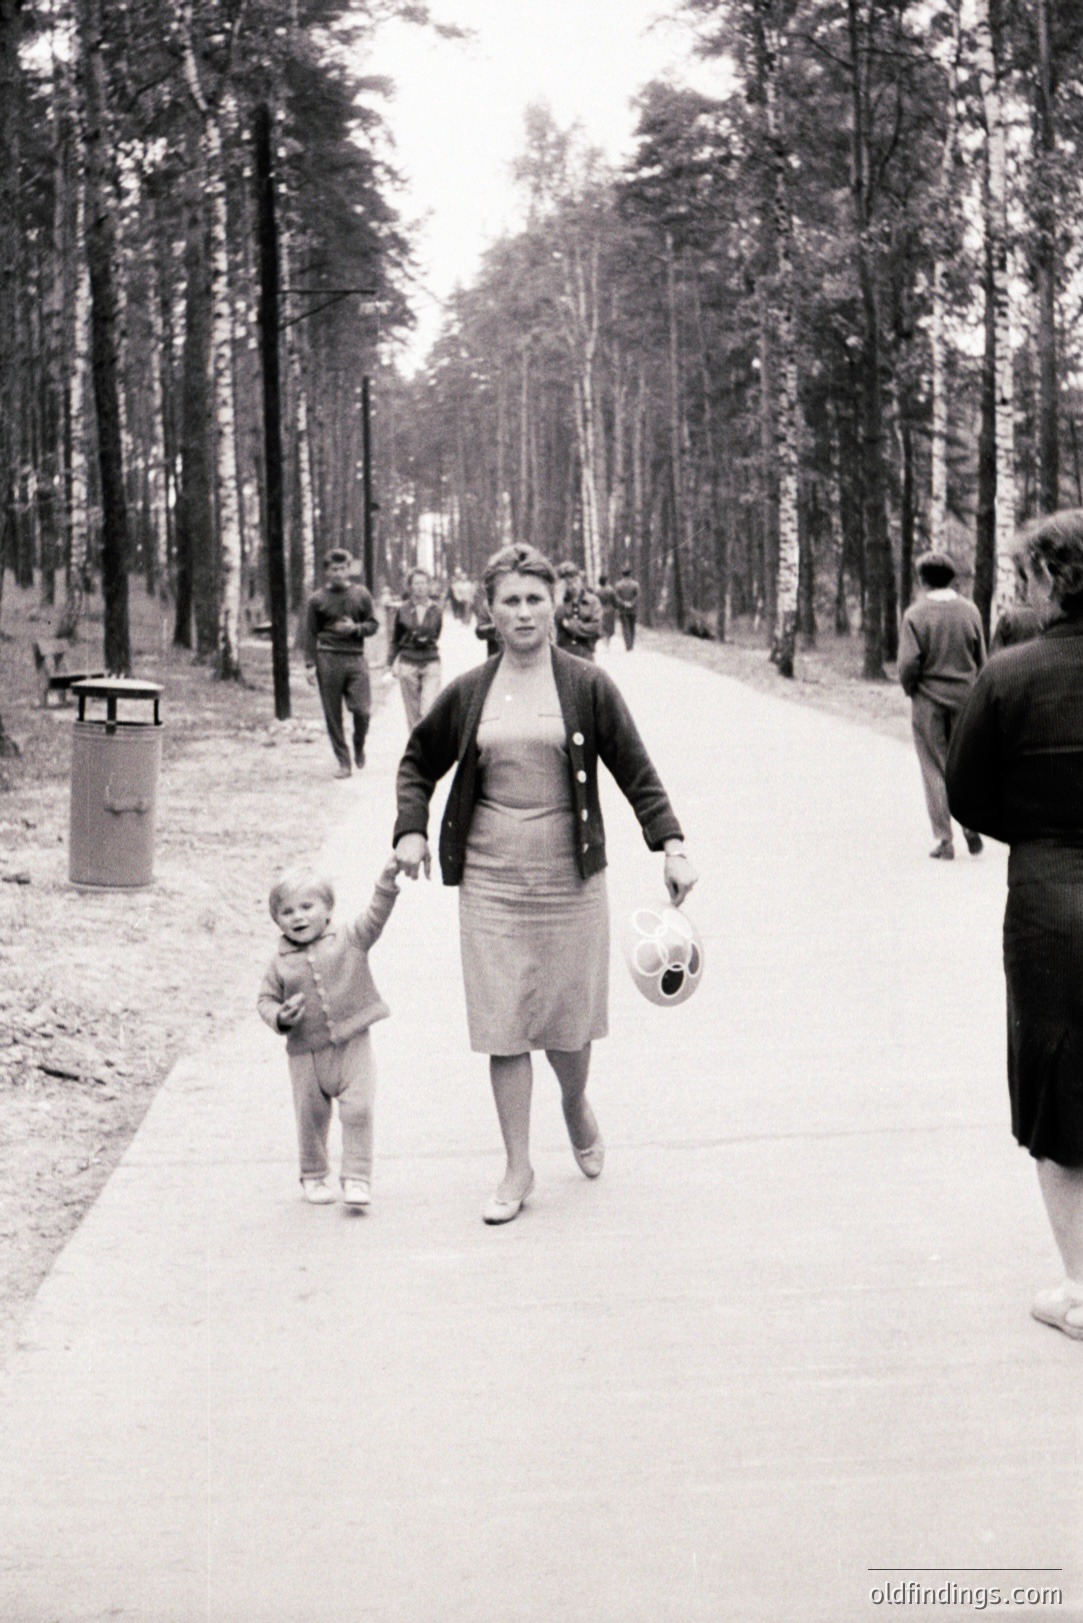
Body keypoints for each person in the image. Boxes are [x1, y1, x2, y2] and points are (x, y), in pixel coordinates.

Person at [392, 542, 698, 1225]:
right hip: (492, 880)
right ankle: (516, 1164)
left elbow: (636, 771)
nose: (524, 612)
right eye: (510, 600)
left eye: (535, 598)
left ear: (556, 603)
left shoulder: (586, 684)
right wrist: (409, 828)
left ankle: (574, 1102)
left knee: (565, 1024)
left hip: (570, 876)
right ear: (488, 610)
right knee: (503, 1025)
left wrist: (671, 845)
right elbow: (418, 759)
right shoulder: (471, 691)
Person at [946, 510, 1083, 1342]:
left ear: (1044, 580)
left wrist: (1036, 825)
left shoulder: (1008, 674)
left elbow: (966, 794)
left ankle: (1081, 1290)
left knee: (1057, 1091)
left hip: (1047, 901)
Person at [258, 856, 399, 1209]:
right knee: (310, 1117)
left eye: (307, 906)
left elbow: (376, 917)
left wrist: (386, 883)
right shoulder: (280, 963)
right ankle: (314, 1174)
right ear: (277, 919)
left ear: (328, 909)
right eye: (287, 911)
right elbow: (264, 1000)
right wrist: (280, 1016)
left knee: (359, 1109)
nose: (299, 917)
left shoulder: (349, 938)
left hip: (353, 1045)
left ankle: (356, 1177)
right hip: (306, 1054)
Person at [898, 550, 986, 859]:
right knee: (962, 765)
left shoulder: (914, 615)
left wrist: (911, 689)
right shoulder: (970, 611)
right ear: (951, 578)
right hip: (965, 698)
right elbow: (981, 657)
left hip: (928, 701)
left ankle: (944, 840)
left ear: (922, 580)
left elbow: (908, 663)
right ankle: (971, 825)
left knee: (934, 767)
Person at [304, 548, 379, 778]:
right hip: (328, 657)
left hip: (355, 656)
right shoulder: (317, 599)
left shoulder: (361, 594)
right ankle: (344, 762)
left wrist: (355, 629)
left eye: (343, 568)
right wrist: (310, 664)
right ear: (327, 572)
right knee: (333, 713)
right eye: (334, 569)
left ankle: (359, 743)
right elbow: (310, 634)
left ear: (349, 569)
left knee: (362, 710)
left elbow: (373, 624)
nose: (339, 573)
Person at [389, 567, 443, 731]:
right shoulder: (402, 609)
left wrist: (426, 639)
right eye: (416, 583)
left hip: (430, 661)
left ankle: (427, 745)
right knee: (412, 712)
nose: (420, 587)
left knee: (428, 709)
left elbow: (437, 632)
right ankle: (416, 748)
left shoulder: (436, 610)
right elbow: (396, 638)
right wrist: (391, 662)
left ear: (429, 586)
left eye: (424, 583)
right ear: (410, 586)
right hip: (408, 662)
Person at [554, 562, 603, 661]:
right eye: (568, 582)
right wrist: (558, 600)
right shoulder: (558, 602)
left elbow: (596, 628)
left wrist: (569, 625)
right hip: (563, 654)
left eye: (575, 580)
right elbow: (553, 622)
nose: (572, 585)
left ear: (580, 580)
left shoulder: (592, 601)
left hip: (586, 652)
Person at [614, 566, 640, 650]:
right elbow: (638, 596)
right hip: (633, 610)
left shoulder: (618, 585)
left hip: (623, 609)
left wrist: (623, 603)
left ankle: (627, 645)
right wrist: (632, 603)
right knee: (632, 627)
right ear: (630, 573)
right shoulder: (635, 584)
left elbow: (617, 597)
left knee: (625, 627)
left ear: (622, 574)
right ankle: (631, 644)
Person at [596, 572, 617, 649]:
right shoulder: (611, 590)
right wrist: (616, 607)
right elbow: (614, 600)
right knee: (609, 627)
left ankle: (604, 643)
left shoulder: (597, 591)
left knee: (603, 627)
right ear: (606, 581)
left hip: (601, 610)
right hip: (610, 609)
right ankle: (607, 643)